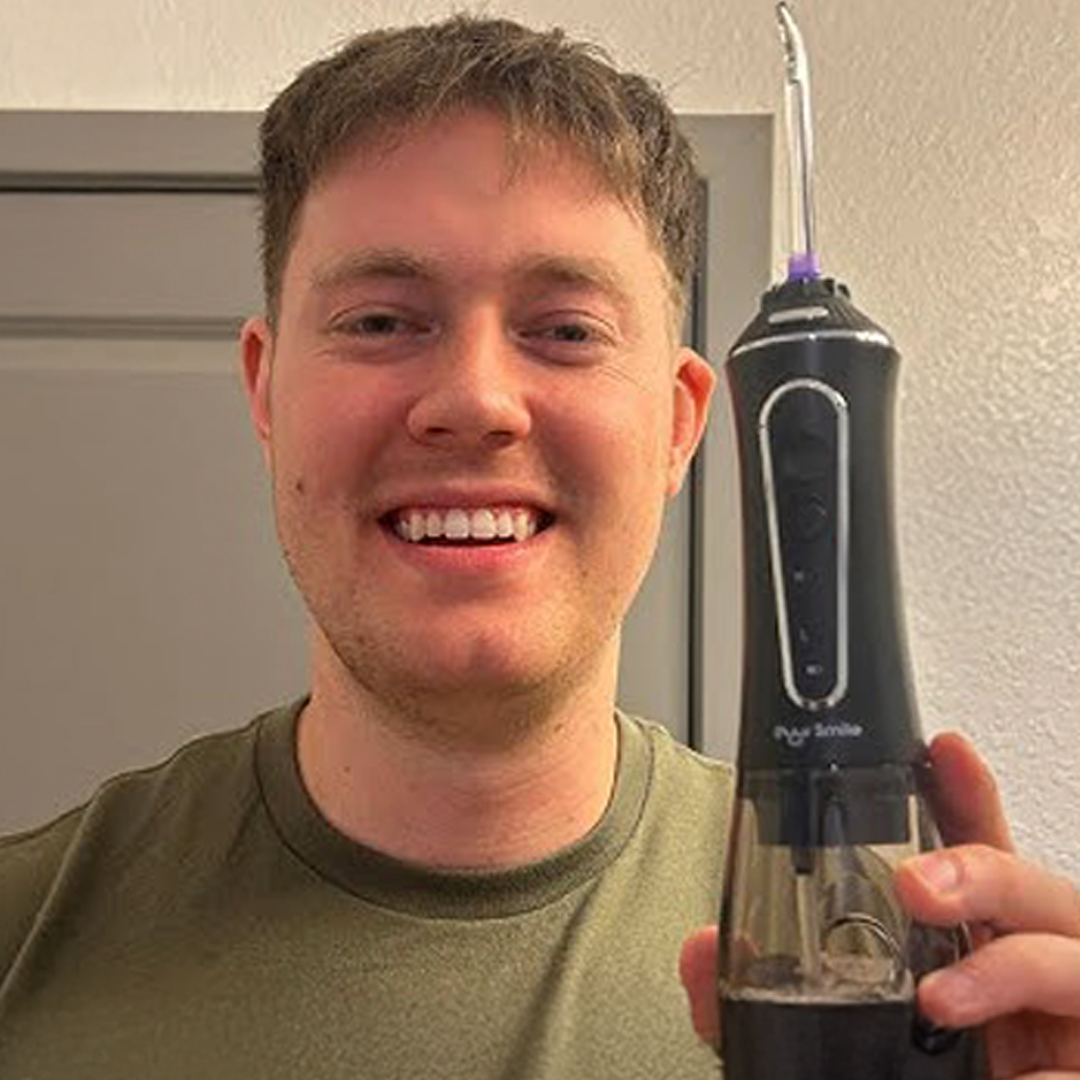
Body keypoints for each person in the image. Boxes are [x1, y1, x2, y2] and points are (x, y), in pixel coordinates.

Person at [1, 14, 1077, 1079]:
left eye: (564, 330)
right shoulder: (24, 940)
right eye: (381, 321)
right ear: (263, 388)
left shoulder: (889, 979)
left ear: (679, 422)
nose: (473, 400)